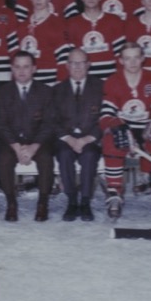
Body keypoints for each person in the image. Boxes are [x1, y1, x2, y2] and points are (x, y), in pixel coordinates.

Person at [99, 42, 151, 219]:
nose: (132, 62)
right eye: (127, 58)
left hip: (146, 127)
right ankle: (114, 192)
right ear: (120, 60)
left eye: (136, 57)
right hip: (124, 127)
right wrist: (118, 126)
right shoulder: (112, 81)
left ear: (142, 58)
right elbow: (105, 115)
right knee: (112, 141)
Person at [0, 51, 56, 222]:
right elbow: (1, 124)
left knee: (46, 160)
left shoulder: (45, 92)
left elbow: (49, 123)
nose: (22, 71)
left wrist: (34, 146)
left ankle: (43, 203)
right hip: (11, 141)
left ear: (34, 69)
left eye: (26, 66)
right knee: (4, 161)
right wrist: (15, 146)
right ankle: (11, 204)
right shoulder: (2, 92)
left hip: (38, 141)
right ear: (12, 69)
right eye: (17, 67)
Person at [52, 49, 103, 221]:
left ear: (89, 64)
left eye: (81, 63)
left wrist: (87, 139)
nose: (77, 67)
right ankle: (72, 201)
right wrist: (69, 139)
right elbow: (53, 120)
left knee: (89, 155)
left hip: (90, 138)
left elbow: (106, 118)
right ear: (67, 66)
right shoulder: (57, 90)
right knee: (64, 154)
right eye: (73, 63)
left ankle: (86, 202)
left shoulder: (101, 87)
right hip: (66, 139)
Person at [66, 0, 126, 80]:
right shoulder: (72, 23)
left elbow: (120, 54)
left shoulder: (114, 20)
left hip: (110, 78)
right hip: (84, 80)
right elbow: (70, 57)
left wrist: (119, 78)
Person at [15, 0, 71, 85]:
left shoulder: (58, 24)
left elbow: (64, 57)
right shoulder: (22, 26)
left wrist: (60, 83)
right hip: (26, 83)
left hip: (49, 82)